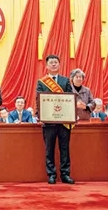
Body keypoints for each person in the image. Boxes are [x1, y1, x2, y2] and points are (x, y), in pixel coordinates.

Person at [36, 54, 74, 185]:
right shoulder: (41, 82)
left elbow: (70, 98)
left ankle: (65, 174)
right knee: (49, 149)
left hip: (64, 121)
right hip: (48, 121)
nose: (53, 64)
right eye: (51, 62)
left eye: (55, 62)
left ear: (59, 65)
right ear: (46, 66)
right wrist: (40, 115)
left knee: (65, 149)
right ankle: (51, 174)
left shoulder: (65, 81)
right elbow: (38, 100)